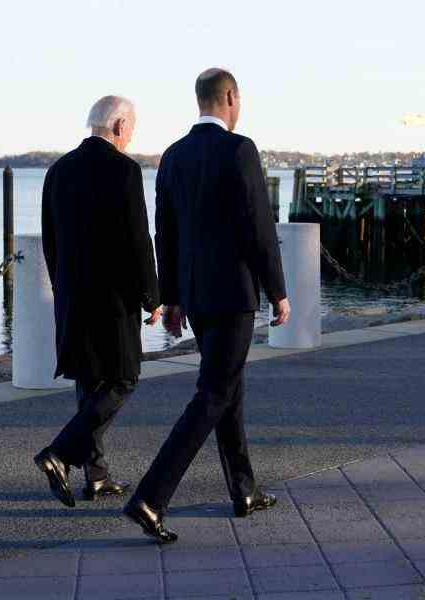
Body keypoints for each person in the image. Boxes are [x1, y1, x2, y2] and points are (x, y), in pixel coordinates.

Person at [123, 68, 291, 543]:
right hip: (234, 294)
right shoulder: (241, 150)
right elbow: (258, 228)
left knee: (227, 386)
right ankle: (150, 499)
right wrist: (278, 289)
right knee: (214, 393)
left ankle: (244, 490)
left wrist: (171, 297)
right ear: (231, 97)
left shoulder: (173, 156)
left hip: (197, 297)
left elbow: (166, 234)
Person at [34, 96, 162, 508]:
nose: (132, 137)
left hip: (72, 295)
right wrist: (152, 296)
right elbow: (138, 239)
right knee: (123, 378)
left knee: (90, 382)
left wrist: (62, 288)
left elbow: (50, 241)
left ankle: (97, 475)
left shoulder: (58, 171)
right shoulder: (124, 171)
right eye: (133, 128)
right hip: (114, 298)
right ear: (120, 126)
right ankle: (59, 453)